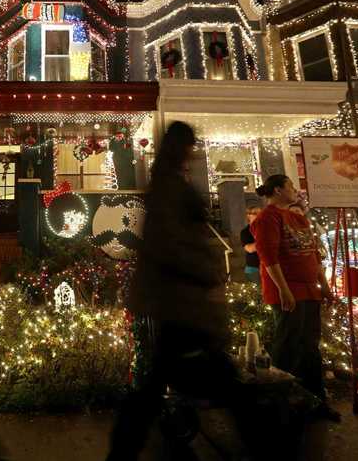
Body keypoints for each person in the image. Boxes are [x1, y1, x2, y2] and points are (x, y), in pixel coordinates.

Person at [106, 122, 258, 460]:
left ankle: (123, 449)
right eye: (191, 146)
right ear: (182, 148)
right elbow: (174, 244)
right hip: (182, 300)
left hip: (174, 299)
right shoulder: (170, 188)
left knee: (157, 383)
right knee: (223, 381)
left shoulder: (166, 183)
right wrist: (206, 273)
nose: (193, 153)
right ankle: (265, 444)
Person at [251, 174, 340, 422]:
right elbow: (268, 257)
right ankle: (281, 403)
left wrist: (323, 285)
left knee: (311, 346)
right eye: (291, 185)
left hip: (310, 290)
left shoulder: (298, 218)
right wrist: (284, 289)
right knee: (288, 345)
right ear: (278, 190)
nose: (295, 190)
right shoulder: (267, 218)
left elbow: (314, 255)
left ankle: (315, 400)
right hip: (289, 292)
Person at [241, 206, 262, 285]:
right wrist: (265, 241)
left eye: (261, 213)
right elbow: (249, 249)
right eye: (255, 213)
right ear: (248, 215)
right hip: (254, 268)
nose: (259, 215)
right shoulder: (245, 232)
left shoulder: (266, 228)